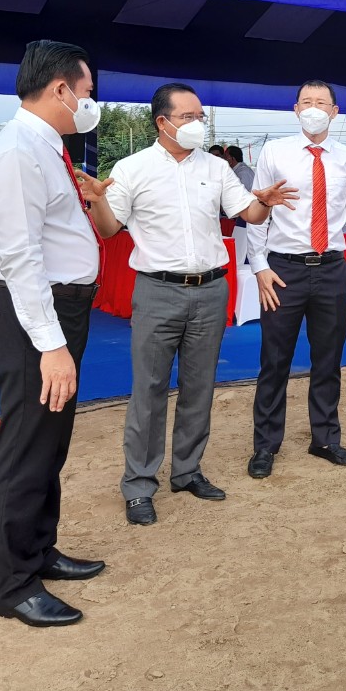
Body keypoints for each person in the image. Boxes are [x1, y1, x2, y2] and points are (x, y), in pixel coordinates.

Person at [80, 85, 298, 526]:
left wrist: (265, 204)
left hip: (211, 290)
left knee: (200, 387)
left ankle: (187, 470)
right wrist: (98, 202)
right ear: (162, 122)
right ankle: (139, 485)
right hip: (158, 291)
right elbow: (108, 229)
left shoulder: (217, 168)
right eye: (188, 117)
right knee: (150, 391)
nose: (198, 124)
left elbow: (247, 215)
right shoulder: (132, 168)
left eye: (200, 116)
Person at [0, 40, 106, 628]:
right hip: (35, 315)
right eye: (87, 93)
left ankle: (38, 549)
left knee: (50, 441)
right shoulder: (16, 153)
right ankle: (14, 583)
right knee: (26, 444)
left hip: (59, 311)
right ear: (60, 90)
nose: (89, 104)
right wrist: (51, 345)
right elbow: (20, 257)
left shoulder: (44, 147)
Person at [245, 80, 346, 479]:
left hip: (332, 268)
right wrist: (260, 265)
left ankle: (325, 438)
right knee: (274, 360)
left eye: (322, 103)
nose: (314, 108)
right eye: (307, 102)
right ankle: (265, 445)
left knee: (328, 359)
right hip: (284, 270)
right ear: (295, 108)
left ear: (335, 112)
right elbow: (258, 207)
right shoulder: (274, 151)